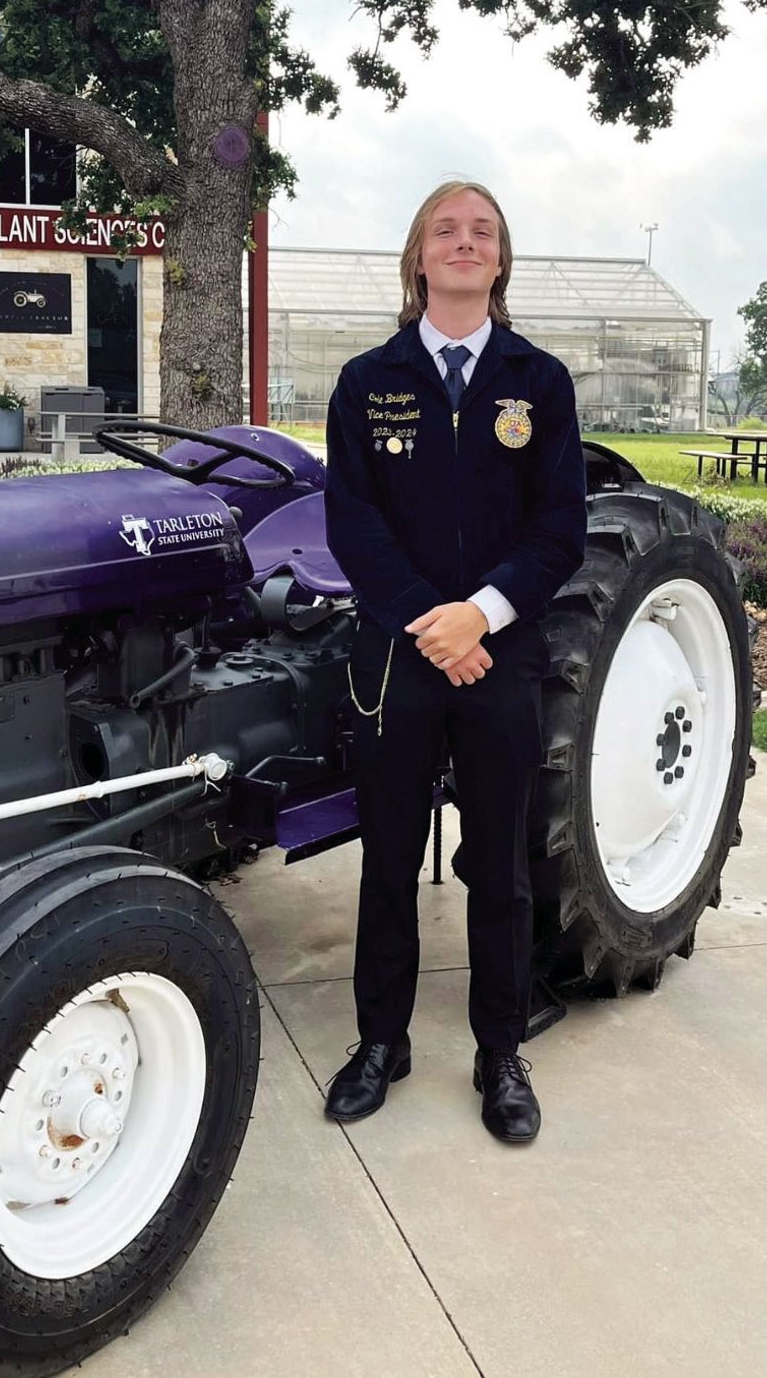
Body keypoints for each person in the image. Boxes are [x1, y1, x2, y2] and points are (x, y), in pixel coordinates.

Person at [322, 180, 586, 1142]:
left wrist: (477, 617)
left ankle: (500, 1049)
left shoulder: (540, 383)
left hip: (501, 657)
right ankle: (380, 1042)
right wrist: (425, 623)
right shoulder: (367, 382)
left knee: (504, 867)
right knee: (388, 857)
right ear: (419, 259)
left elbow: (561, 528)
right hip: (396, 660)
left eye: (483, 231)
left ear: (501, 260)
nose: (465, 242)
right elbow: (353, 522)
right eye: (447, 229)